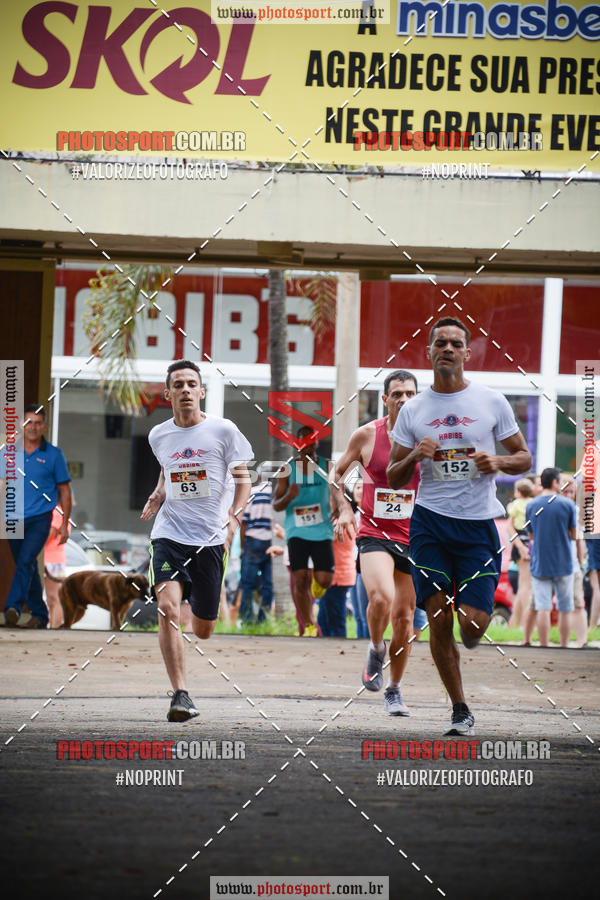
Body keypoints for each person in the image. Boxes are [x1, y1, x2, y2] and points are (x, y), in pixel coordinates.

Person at [388, 318, 532, 735]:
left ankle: (468, 631)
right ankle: (459, 708)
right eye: (440, 343)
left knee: (471, 628)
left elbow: (523, 456)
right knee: (436, 616)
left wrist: (499, 462)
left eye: (455, 343)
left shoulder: (491, 401)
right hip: (430, 523)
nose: (447, 349)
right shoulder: (413, 410)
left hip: (478, 525)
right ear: (429, 352)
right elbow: (393, 476)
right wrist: (415, 456)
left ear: (467, 353)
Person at [141, 360, 252, 722]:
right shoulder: (158, 435)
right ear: (168, 393)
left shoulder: (223, 430)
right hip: (169, 535)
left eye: (192, 384)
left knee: (203, 630)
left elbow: (243, 481)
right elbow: (166, 469)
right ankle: (181, 694)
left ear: (201, 392)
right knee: (168, 610)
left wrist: (234, 516)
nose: (186, 389)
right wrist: (159, 494)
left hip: (209, 541)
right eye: (179, 384)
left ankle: (198, 611)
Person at [332, 370, 420, 716]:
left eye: (410, 394)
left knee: (405, 619)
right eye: (397, 394)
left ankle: (395, 690)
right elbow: (337, 475)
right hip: (374, 533)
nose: (404, 399)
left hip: (414, 537)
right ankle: (375, 646)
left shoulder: (427, 437)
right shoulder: (367, 435)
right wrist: (343, 509)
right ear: (385, 399)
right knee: (381, 597)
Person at [1, 404, 72, 629]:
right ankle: (40, 615)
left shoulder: (53, 455)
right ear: (22, 425)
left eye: (38, 422)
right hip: (12, 517)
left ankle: (12, 607)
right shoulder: (8, 453)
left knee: (25, 560)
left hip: (40, 518)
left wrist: (64, 525)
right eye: (29, 422)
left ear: (45, 426)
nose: (33, 427)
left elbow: (64, 490)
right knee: (26, 563)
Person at [272, 425, 334, 636]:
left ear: (316, 442)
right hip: (296, 531)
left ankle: (319, 582)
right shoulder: (287, 469)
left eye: (310, 440)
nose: (306, 445)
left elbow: (339, 493)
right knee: (299, 579)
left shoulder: (327, 467)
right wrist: (289, 495)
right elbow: (276, 505)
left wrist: (341, 510)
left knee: (324, 580)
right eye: (302, 441)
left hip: (322, 530)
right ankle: (308, 623)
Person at [526, 468, 576, 648]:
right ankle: (563, 645)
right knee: (565, 607)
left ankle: (544, 645)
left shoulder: (531, 505)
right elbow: (573, 534)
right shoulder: (568, 505)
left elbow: (530, 535)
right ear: (555, 482)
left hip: (540, 563)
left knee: (543, 607)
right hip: (564, 562)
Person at [239, 480, 276, 624]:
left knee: (248, 584)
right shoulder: (278, 492)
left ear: (260, 475)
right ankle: (263, 620)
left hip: (253, 541)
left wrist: (243, 547)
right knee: (268, 584)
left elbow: (244, 522)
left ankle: (247, 619)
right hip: (272, 542)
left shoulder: (253, 492)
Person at [562, 476, 588, 646]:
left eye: (572, 492)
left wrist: (580, 562)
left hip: (572, 564)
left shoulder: (576, 510)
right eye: (566, 491)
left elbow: (580, 540)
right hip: (558, 564)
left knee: (578, 602)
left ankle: (581, 640)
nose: (569, 495)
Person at [506, 478, 534, 629]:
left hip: (519, 541)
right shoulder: (533, 503)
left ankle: (515, 624)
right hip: (527, 539)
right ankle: (523, 622)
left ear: (519, 492)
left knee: (523, 586)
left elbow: (510, 513)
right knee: (526, 585)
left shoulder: (516, 504)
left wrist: (510, 505)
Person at [44, 504, 72, 628]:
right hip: (57, 559)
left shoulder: (57, 511)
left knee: (54, 598)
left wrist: (35, 547)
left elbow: (51, 532)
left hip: (50, 559)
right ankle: (54, 626)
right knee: (53, 599)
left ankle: (54, 628)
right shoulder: (64, 512)